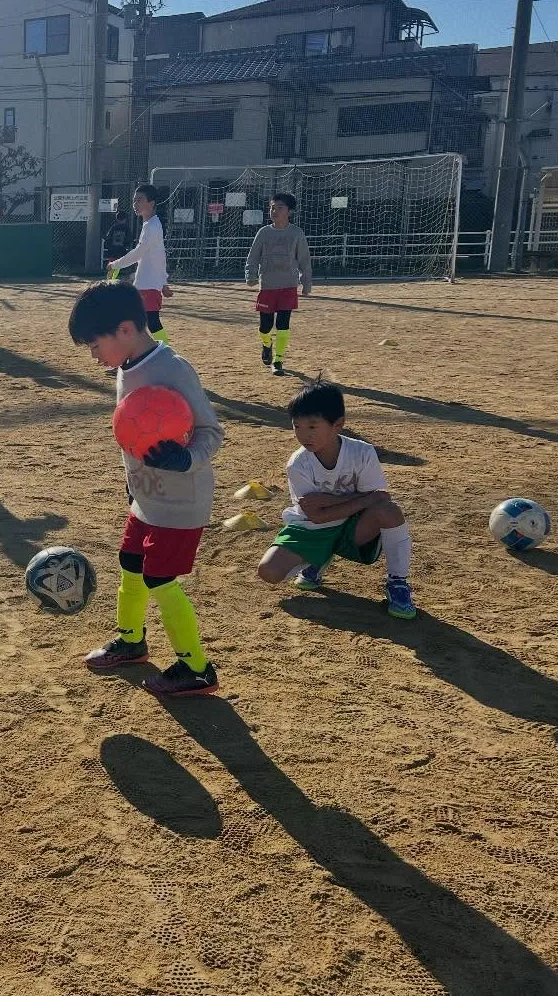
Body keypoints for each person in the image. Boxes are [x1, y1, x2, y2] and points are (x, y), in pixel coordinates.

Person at [68, 280, 225, 697]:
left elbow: (211, 431)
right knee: (130, 562)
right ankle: (132, 640)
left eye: (94, 343)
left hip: (180, 501)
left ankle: (196, 667)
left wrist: (186, 459)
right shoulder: (124, 367)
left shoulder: (172, 368)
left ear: (124, 329)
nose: (93, 354)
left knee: (159, 577)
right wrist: (131, 484)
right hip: (145, 496)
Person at [256, 379, 416, 619]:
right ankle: (317, 559)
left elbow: (381, 498)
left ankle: (398, 583)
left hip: (353, 527)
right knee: (268, 571)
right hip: (310, 530)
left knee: (390, 511)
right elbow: (316, 516)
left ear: (338, 425)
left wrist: (327, 499)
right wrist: (362, 499)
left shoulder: (361, 452)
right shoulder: (298, 463)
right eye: (297, 426)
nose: (303, 435)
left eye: (312, 427)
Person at [246, 191, 312, 376]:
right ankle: (267, 344)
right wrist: (250, 275)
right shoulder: (264, 233)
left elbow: (304, 260)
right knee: (265, 327)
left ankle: (278, 360)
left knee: (283, 324)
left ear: (289, 211)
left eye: (280, 207)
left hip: (288, 286)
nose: (274, 211)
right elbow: (252, 257)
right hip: (267, 286)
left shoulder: (296, 233)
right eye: (272, 207)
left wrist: (306, 282)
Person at [107, 184, 172, 345]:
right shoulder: (151, 224)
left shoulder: (152, 226)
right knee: (145, 322)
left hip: (147, 285)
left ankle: (165, 353)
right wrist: (163, 282)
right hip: (147, 284)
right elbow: (159, 256)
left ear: (151, 203)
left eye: (140, 200)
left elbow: (138, 253)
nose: (135, 204)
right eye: (134, 200)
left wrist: (115, 264)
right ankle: (163, 353)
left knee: (144, 322)